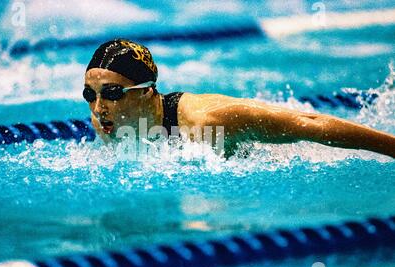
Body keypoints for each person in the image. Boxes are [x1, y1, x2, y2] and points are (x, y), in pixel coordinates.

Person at [83, 38, 395, 158]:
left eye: (111, 94)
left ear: (146, 89)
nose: (98, 109)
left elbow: (308, 123)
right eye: (90, 95)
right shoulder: (108, 123)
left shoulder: (206, 120)